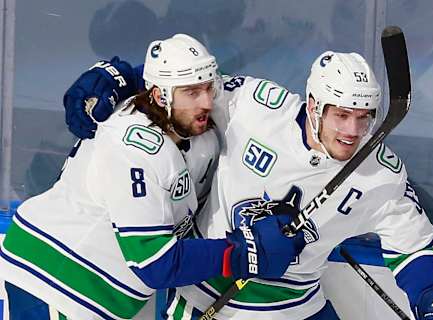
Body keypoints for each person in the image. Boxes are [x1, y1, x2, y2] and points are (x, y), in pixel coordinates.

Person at [61, 47, 433, 319]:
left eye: (363, 117)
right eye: (341, 116)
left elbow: (414, 245)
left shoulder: (381, 175)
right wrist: (122, 76)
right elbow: (185, 87)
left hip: (297, 307)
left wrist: (431, 298)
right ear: (314, 106)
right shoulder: (253, 107)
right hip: (208, 296)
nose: (353, 131)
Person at [0, 34, 306, 320]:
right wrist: (243, 252)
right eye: (192, 92)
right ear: (160, 96)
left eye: (207, 88)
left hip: (92, 293)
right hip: (53, 278)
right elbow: (155, 263)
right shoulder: (133, 148)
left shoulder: (196, 130)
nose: (207, 102)